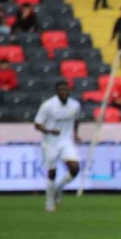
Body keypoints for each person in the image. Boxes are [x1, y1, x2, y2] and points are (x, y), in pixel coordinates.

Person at [34, 81, 82, 212]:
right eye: (62, 90)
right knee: (52, 173)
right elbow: (37, 124)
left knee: (75, 168)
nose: (65, 92)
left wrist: (76, 135)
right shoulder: (48, 105)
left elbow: (76, 119)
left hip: (66, 141)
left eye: (67, 90)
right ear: (57, 91)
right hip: (50, 143)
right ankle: (49, 202)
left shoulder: (75, 105)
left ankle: (58, 189)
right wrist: (50, 130)